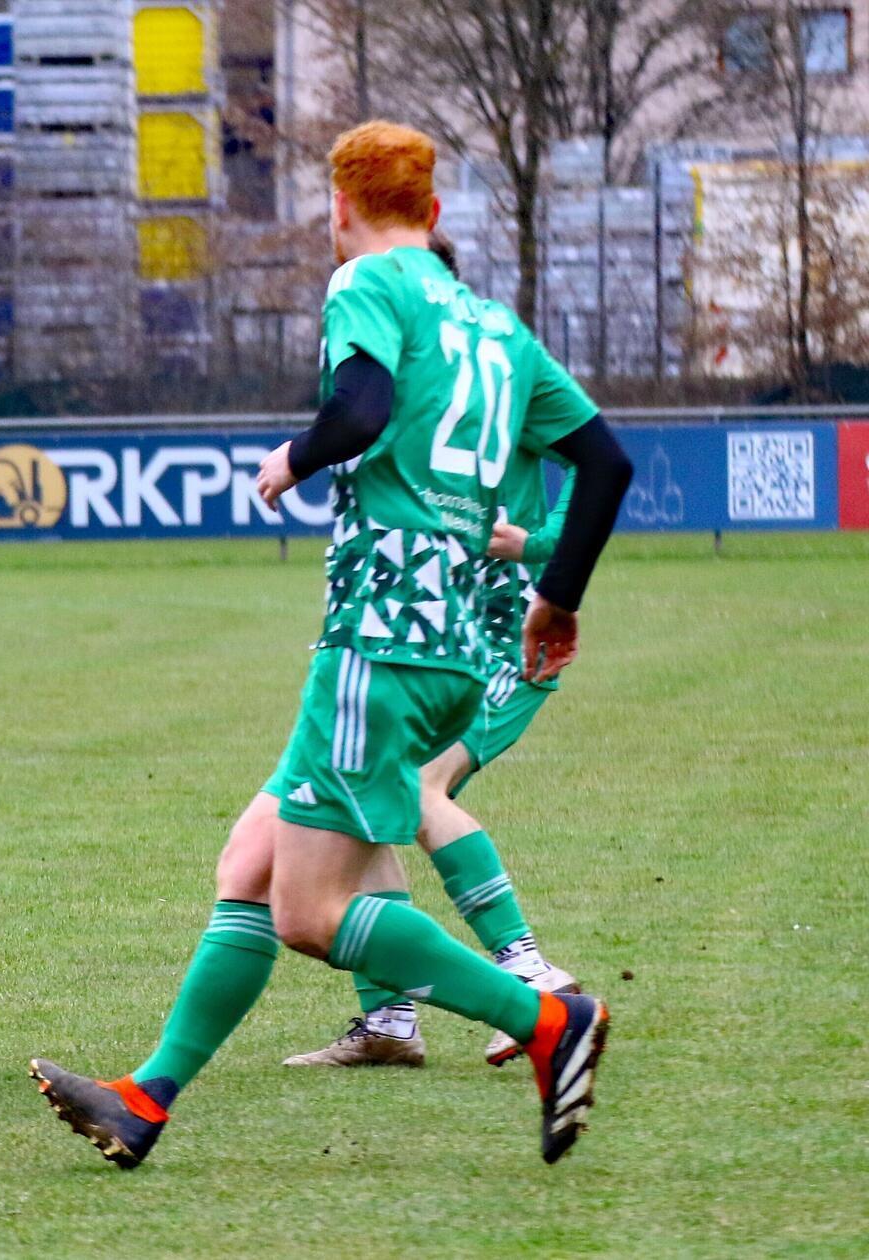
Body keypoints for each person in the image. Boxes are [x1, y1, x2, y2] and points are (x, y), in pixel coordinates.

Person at [27, 122, 634, 1167]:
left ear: (338, 211)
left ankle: (546, 1018)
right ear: (433, 210)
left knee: (308, 913)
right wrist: (558, 600)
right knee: (248, 861)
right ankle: (146, 1099)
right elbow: (606, 463)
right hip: (449, 646)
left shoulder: (365, 282)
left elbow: (360, 409)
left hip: (378, 643)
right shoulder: (495, 327)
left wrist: (294, 457)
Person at [284, 233, 582, 1069]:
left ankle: (529, 972)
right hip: (441, 625)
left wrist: (533, 546)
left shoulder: (491, 369)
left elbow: (596, 467)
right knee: (364, 790)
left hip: (504, 630)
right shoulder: (417, 376)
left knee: (413, 789)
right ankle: (389, 1019)